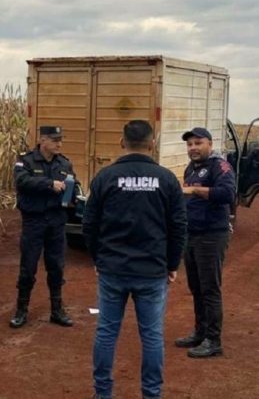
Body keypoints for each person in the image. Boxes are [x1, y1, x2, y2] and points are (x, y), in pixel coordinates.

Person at [82, 120, 187, 399]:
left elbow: (89, 224)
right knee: (152, 336)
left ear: (121, 142)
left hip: (112, 269)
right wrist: (172, 264)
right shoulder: (166, 179)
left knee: (106, 332)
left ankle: (102, 393)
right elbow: (178, 226)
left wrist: (98, 258)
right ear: (152, 144)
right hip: (152, 271)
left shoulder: (105, 177)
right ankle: (152, 394)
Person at [174, 127, 235, 358]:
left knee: (210, 288)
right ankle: (200, 332)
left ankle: (213, 340)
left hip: (212, 235)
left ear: (209, 143)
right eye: (189, 144)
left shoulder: (220, 166)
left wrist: (195, 190)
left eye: (198, 143)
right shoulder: (192, 167)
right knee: (196, 287)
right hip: (193, 234)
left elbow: (228, 194)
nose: (193, 148)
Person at [9, 125, 77, 329]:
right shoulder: (26, 161)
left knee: (56, 267)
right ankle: (21, 310)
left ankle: (57, 310)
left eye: (60, 140)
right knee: (28, 268)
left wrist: (73, 195)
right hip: (34, 221)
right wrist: (50, 184)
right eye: (55, 140)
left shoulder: (64, 163)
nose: (59, 144)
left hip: (56, 221)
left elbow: (73, 184)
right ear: (42, 140)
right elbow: (22, 181)